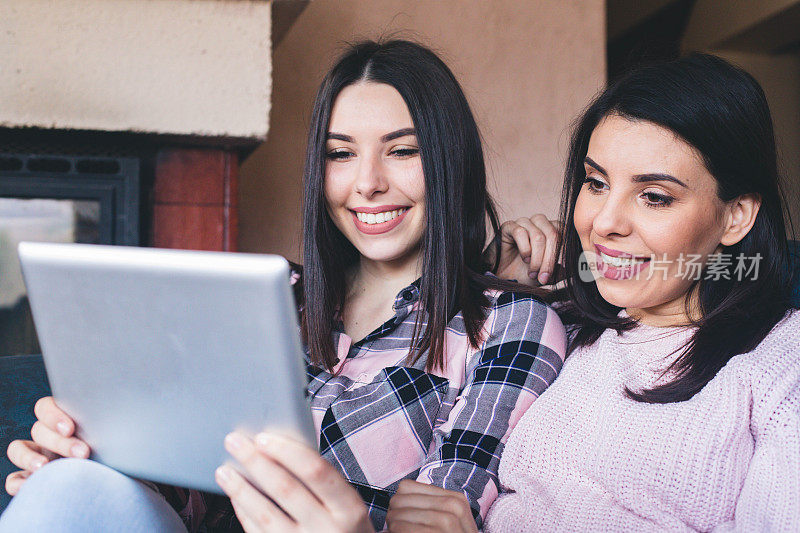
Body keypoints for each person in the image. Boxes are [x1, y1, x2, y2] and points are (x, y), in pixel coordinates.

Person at [1, 40, 567, 532]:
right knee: (65, 490)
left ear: (449, 160)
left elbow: (448, 509)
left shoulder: (506, 322)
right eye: (340, 154)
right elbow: (186, 488)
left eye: (402, 150)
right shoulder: (266, 296)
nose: (366, 184)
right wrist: (88, 453)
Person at [385, 53, 800, 531]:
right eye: (596, 183)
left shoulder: (779, 371)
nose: (604, 223)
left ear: (736, 216)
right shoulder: (555, 325)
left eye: (655, 196)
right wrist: (494, 285)